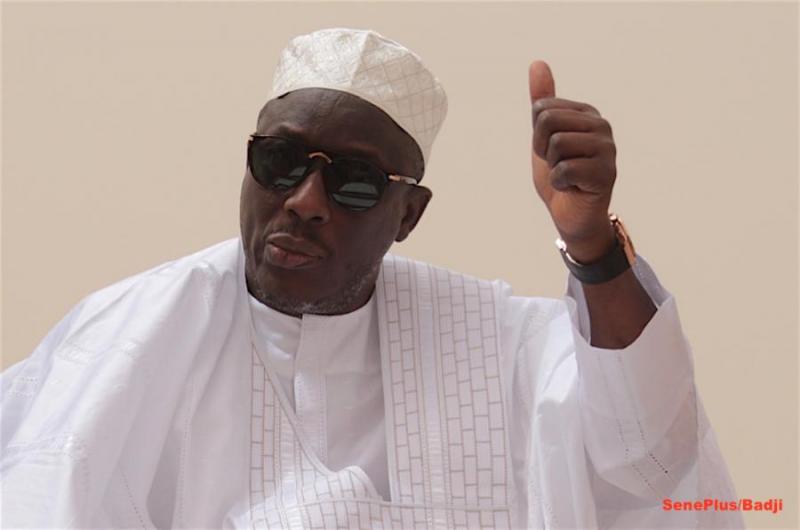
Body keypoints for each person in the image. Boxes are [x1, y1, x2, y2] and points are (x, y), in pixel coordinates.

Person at [1, 27, 742, 529]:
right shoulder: (126, 340)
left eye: (354, 181)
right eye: (280, 161)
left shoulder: (504, 344)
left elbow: (650, 458)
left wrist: (592, 244)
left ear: (408, 214)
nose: (305, 201)